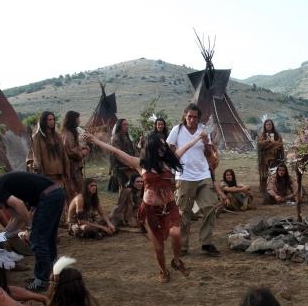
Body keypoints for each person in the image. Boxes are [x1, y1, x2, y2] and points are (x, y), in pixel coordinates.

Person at [86, 132, 189, 283]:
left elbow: (184, 148)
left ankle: (177, 260)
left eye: (164, 146)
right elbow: (116, 151)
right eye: (159, 146)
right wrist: (96, 140)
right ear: (151, 147)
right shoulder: (141, 163)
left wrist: (198, 138)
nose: (162, 149)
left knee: (176, 233)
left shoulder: (169, 161)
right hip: (150, 210)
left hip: (169, 207)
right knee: (159, 247)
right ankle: (163, 271)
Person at [0, 171, 66, 292]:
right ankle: (50, 275)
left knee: (38, 241)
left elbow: (18, 204)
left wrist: (30, 227)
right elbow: (17, 217)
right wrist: (4, 236)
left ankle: (41, 281)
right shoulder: (2, 189)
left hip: (49, 197)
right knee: (47, 239)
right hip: (55, 194)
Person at [166, 104, 220, 256]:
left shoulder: (203, 130)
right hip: (184, 175)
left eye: (195, 117)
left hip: (203, 173)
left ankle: (206, 242)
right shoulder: (177, 130)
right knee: (184, 212)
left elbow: (209, 153)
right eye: (189, 116)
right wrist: (174, 162)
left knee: (210, 206)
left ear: (198, 118)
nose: (191, 119)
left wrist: (205, 142)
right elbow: (168, 148)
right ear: (185, 116)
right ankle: (182, 245)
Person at [27, 111, 69, 193]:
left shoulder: (57, 136)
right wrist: (38, 171)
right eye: (49, 120)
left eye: (53, 119)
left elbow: (63, 153)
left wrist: (66, 168)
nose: (52, 121)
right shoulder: (37, 137)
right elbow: (36, 156)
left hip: (60, 175)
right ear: (44, 121)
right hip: (47, 175)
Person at [61, 110, 89, 199]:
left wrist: (82, 148)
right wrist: (82, 153)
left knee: (79, 188)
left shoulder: (71, 132)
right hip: (72, 167)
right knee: (75, 190)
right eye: (78, 119)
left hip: (75, 166)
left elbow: (74, 147)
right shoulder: (67, 134)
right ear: (73, 120)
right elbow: (69, 151)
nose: (79, 120)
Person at [257, 119, 285, 194]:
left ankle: (275, 189)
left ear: (272, 125)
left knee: (274, 175)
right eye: (267, 124)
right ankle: (263, 190)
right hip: (264, 159)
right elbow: (260, 145)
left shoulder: (277, 135)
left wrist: (269, 144)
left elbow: (280, 145)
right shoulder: (261, 135)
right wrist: (269, 141)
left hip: (275, 158)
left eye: (270, 124)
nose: (269, 126)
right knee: (264, 175)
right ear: (265, 126)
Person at [110, 118, 137, 190]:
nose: (127, 126)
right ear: (119, 126)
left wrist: (136, 161)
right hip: (121, 166)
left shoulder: (128, 136)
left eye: (127, 124)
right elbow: (117, 154)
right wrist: (129, 163)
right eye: (124, 125)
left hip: (131, 165)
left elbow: (134, 149)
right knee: (124, 187)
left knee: (132, 186)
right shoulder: (115, 138)